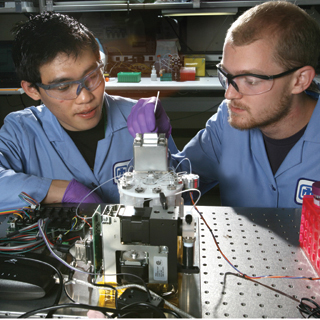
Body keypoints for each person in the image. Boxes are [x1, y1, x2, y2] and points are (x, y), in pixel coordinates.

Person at [128, 0, 320, 208]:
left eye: (251, 81)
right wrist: (157, 145)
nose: (229, 94)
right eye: (226, 76)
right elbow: (178, 188)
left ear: (299, 80)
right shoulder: (226, 124)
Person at [0, 12, 176, 210]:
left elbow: (184, 193)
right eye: (62, 87)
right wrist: (59, 191)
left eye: (92, 76)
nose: (85, 97)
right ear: (32, 90)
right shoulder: (20, 131)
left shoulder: (141, 119)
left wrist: (161, 149)